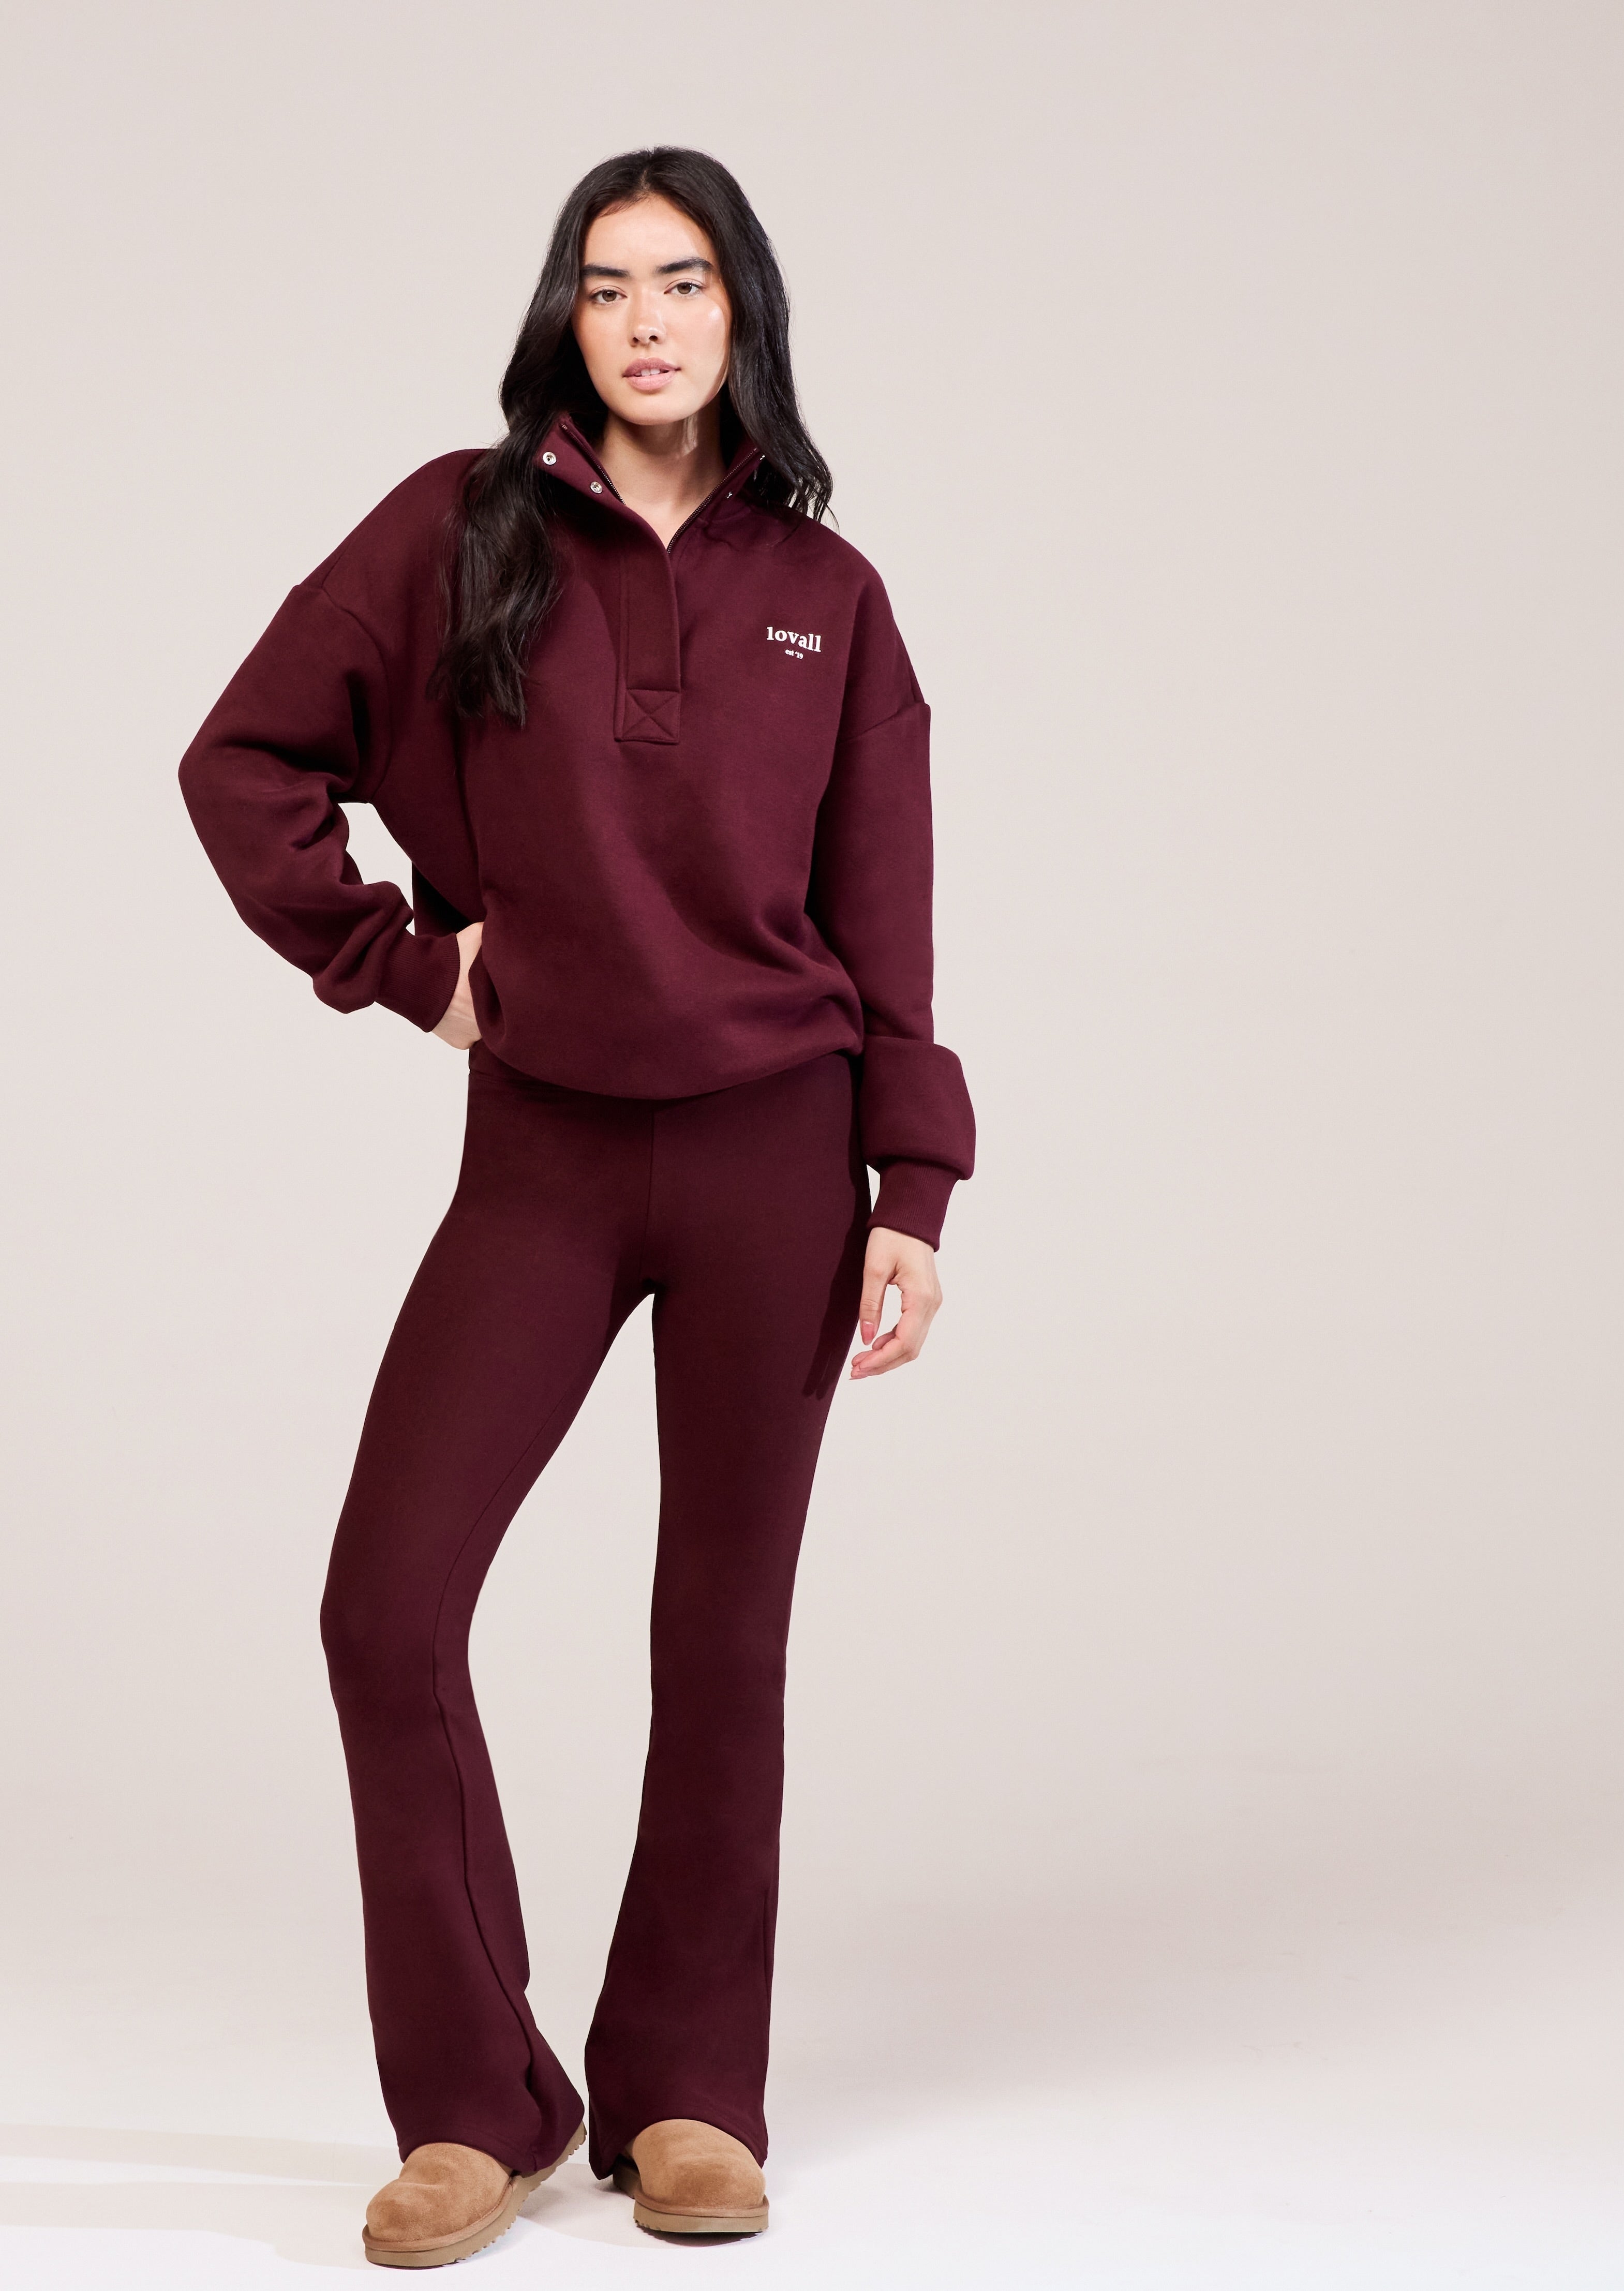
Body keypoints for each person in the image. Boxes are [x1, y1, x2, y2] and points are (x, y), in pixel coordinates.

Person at [178, 145, 975, 2268]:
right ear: (564, 317)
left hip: (777, 1156)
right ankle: (477, 2102)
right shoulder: (458, 533)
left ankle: (691, 2090)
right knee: (386, 1605)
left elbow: (887, 914)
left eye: (685, 282)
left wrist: (912, 1180)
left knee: (720, 1637)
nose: (646, 320)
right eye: (608, 285)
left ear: (743, 315)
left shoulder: (832, 594)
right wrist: (400, 963)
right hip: (539, 1148)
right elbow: (242, 762)